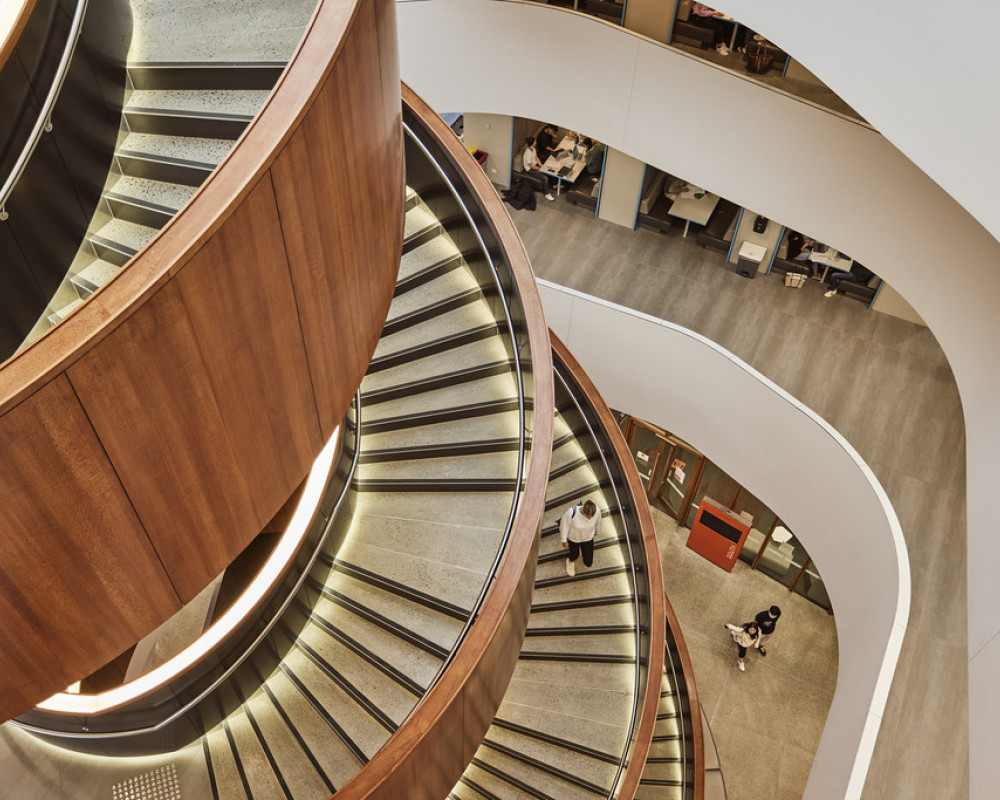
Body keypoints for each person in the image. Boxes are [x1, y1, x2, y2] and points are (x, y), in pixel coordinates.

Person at [559, 499, 601, 577]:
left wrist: (598, 531)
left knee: (588, 563)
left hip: (588, 538)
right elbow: (564, 526)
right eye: (589, 517)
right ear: (584, 512)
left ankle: (582, 551)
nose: (591, 519)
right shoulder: (571, 513)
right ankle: (570, 561)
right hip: (574, 539)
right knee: (574, 555)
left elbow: (598, 521)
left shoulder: (597, 511)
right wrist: (564, 540)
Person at [522, 136, 555, 202]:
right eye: (535, 141)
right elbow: (530, 165)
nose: (536, 142)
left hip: (535, 165)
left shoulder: (533, 149)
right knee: (544, 177)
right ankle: (547, 194)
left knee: (548, 169)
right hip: (530, 169)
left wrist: (541, 165)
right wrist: (539, 169)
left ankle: (553, 185)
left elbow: (536, 157)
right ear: (533, 143)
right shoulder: (527, 153)